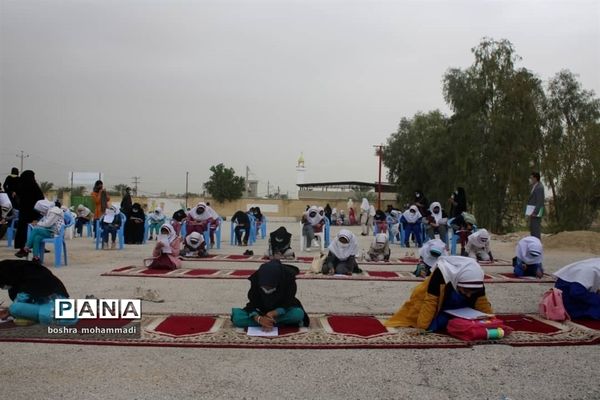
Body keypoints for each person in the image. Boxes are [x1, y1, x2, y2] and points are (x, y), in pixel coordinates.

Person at [384, 256, 493, 331]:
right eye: (466, 291)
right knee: (430, 325)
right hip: (439, 307)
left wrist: (491, 320)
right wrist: (424, 326)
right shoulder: (440, 275)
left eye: (472, 292)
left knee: (477, 322)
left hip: (462, 309)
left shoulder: (475, 281)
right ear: (457, 281)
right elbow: (429, 303)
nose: (469, 295)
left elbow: (483, 304)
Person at [231, 259, 310, 330]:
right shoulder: (257, 279)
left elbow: (288, 301)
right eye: (264, 287)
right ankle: (271, 323)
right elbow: (253, 303)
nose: (267, 290)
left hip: (282, 312)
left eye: (270, 287)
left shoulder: (288, 280)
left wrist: (274, 313)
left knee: (297, 314)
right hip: (260, 311)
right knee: (237, 318)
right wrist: (258, 318)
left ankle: (267, 323)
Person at [0, 259, 76, 326]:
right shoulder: (29, 272)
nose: (2, 287)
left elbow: (19, 302)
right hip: (60, 306)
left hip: (59, 311)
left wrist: (10, 311)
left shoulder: (30, 281)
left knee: (15, 308)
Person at [14, 170, 44, 257]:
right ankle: (37, 248)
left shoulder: (21, 186)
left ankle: (23, 249)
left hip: (24, 212)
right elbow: (41, 198)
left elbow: (18, 197)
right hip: (34, 213)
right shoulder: (35, 186)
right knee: (35, 229)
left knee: (22, 230)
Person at [527, 172, 545, 239]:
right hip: (532, 211)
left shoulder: (539, 187)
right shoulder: (534, 186)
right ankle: (533, 245)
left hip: (536, 212)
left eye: (531, 178)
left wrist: (535, 212)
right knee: (533, 229)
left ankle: (537, 246)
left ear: (535, 178)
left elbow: (539, 202)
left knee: (536, 230)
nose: (530, 179)